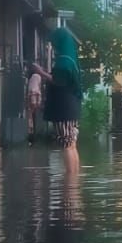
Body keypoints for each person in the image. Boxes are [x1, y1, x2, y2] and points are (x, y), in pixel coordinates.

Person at [47, 25, 84, 172]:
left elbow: (57, 81)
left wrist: (40, 72)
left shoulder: (63, 61)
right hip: (73, 106)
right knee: (71, 143)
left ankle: (70, 181)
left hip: (63, 107)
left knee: (66, 144)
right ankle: (73, 178)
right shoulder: (72, 59)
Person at [25, 62, 45, 143]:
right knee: (31, 118)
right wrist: (35, 101)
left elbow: (33, 90)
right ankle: (32, 137)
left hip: (33, 100)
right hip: (34, 100)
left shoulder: (34, 76)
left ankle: (31, 136)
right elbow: (34, 90)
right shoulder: (36, 76)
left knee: (30, 118)